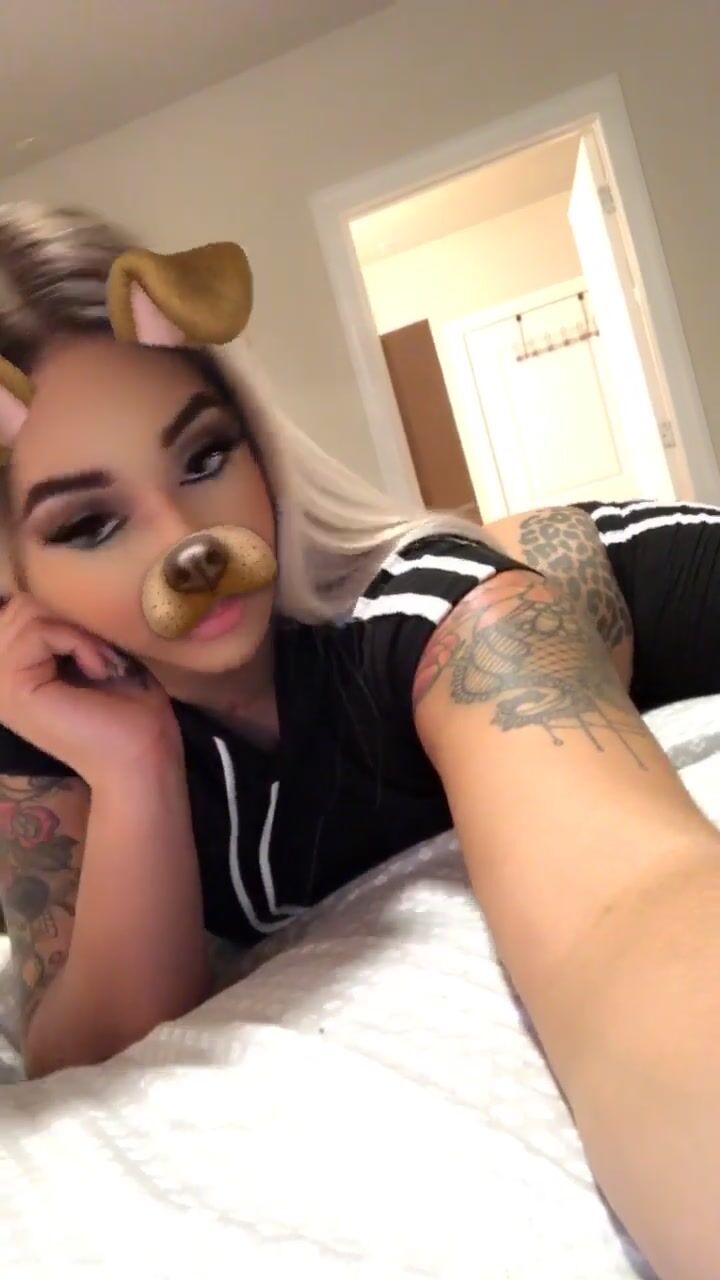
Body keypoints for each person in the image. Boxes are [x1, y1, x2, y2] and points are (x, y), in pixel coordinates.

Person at [0, 203, 718, 1280]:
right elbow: (94, 1053)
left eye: (203, 455)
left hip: (645, 585)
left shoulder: (429, 620)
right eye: (88, 523)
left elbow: (630, 908)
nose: (190, 544)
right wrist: (135, 765)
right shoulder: (54, 723)